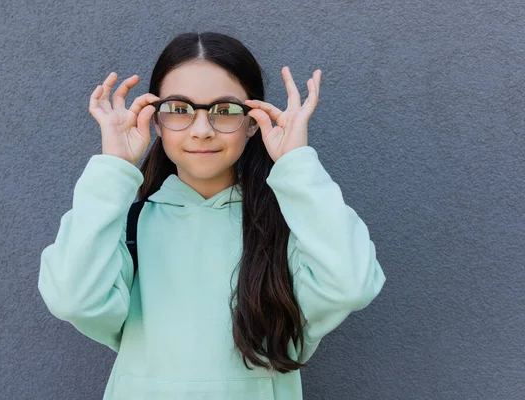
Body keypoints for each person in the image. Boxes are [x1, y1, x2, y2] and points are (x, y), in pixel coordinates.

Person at [37, 31, 386, 400]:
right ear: (156, 121)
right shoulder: (126, 225)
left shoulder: (293, 228)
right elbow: (70, 298)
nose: (202, 130)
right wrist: (113, 167)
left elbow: (353, 284)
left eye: (224, 110)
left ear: (253, 121)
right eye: (179, 109)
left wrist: (296, 164)